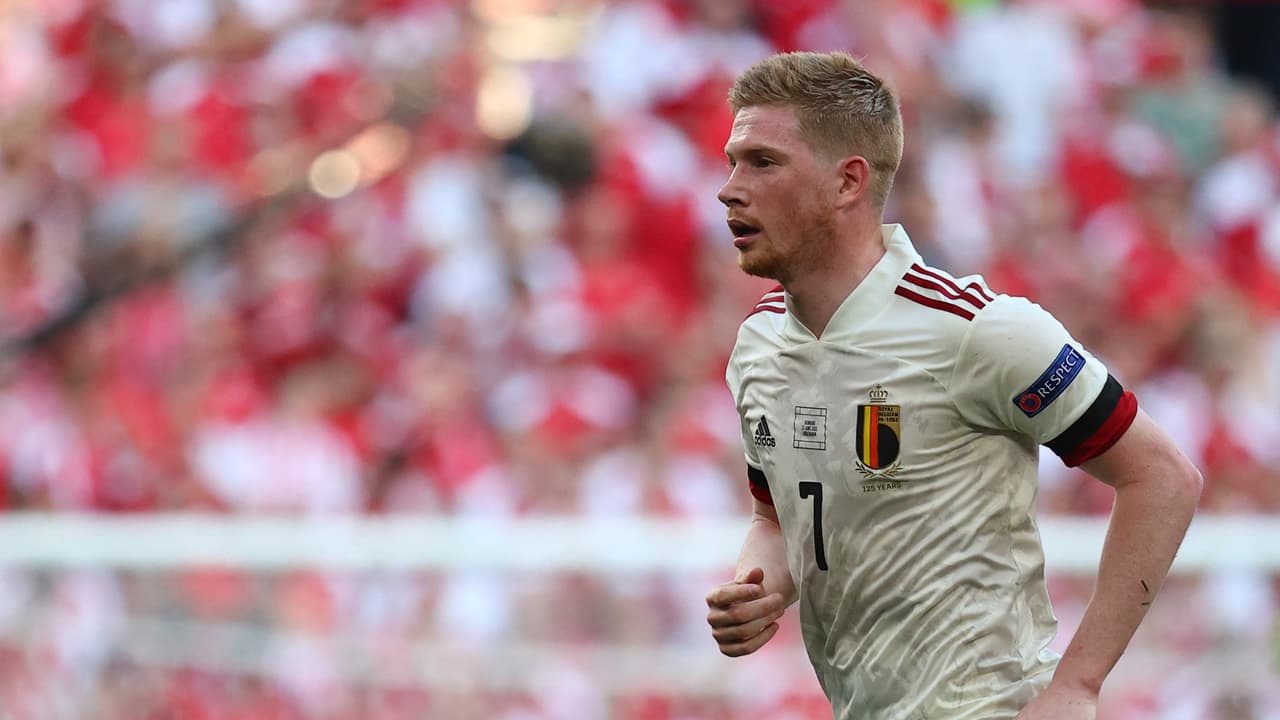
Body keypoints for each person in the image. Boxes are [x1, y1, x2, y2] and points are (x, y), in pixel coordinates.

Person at [704, 51, 1202, 720]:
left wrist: (1078, 683)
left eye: (763, 162)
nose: (729, 188)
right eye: (732, 161)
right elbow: (776, 518)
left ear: (848, 181)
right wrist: (756, 587)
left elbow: (1163, 477)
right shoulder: (759, 345)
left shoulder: (976, 330)